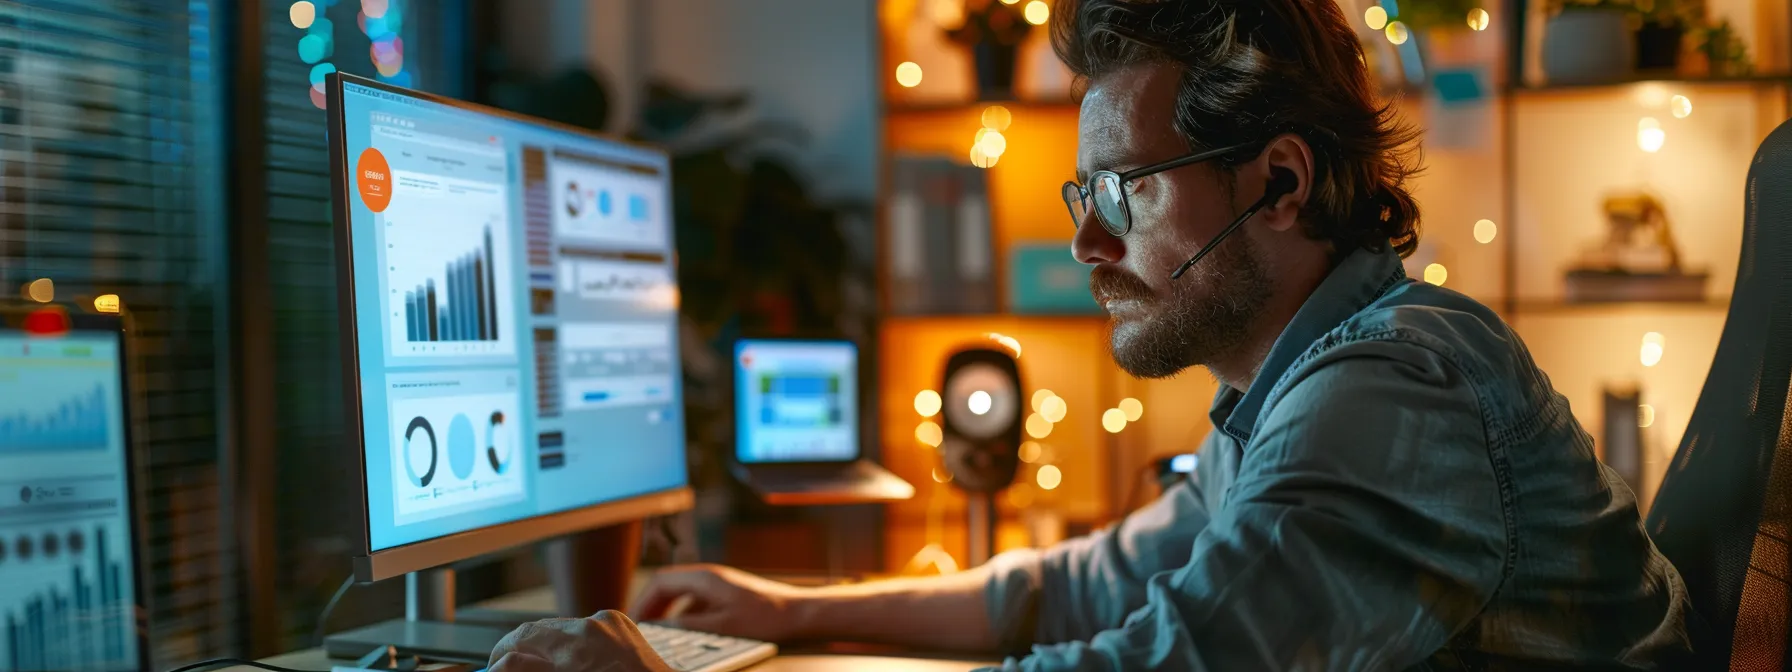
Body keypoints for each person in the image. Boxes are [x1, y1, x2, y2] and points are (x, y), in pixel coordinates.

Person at [487, 0, 1694, 669]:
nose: (1086, 245)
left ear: (1277, 184)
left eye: (1122, 192)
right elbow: (1082, 587)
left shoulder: (1391, 387)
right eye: (1083, 199)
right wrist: (795, 609)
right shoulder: (1291, 392)